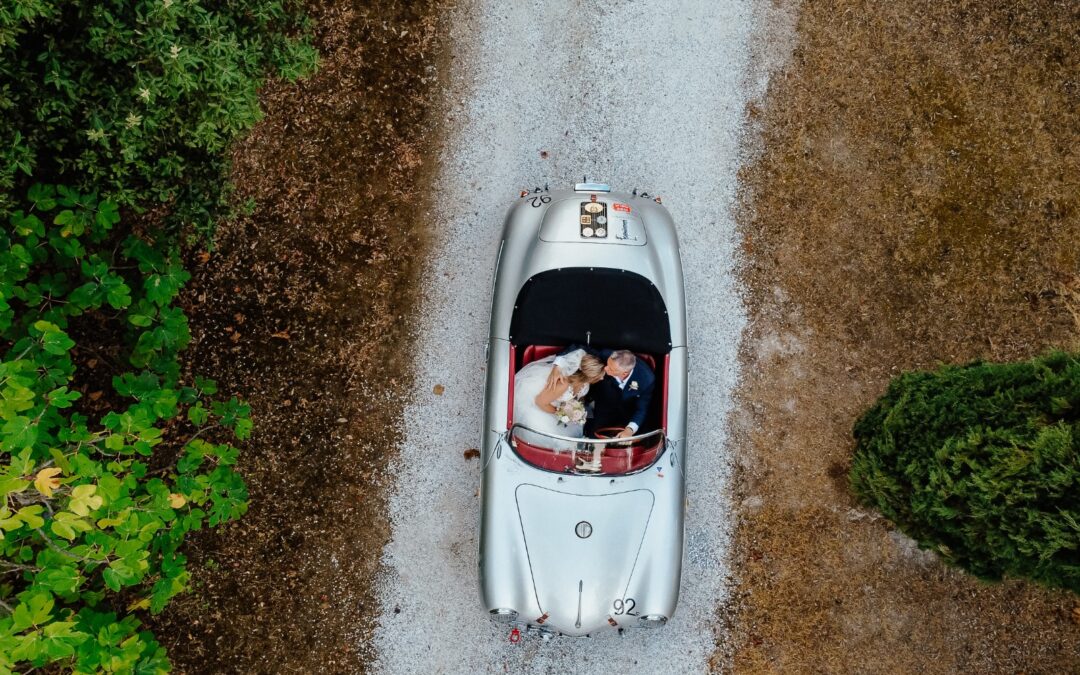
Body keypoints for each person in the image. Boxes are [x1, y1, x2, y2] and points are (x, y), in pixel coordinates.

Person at [512, 349, 605, 450]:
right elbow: (540, 402)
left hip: (555, 405)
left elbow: (579, 398)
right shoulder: (563, 384)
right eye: (599, 376)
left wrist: (575, 409)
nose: (602, 378)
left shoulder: (585, 384)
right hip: (540, 408)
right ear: (589, 377)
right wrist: (562, 412)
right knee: (559, 442)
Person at [559, 346, 655, 439]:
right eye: (607, 365)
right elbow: (579, 347)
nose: (605, 369)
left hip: (628, 414)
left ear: (624, 373)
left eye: (611, 369)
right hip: (603, 405)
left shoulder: (646, 379)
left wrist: (629, 430)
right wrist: (558, 365)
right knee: (592, 437)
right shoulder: (606, 355)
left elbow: (642, 409)